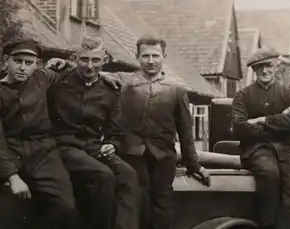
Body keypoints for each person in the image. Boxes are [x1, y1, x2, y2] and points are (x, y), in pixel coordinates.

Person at [49, 35, 211, 229]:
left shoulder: (176, 89)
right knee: (134, 202)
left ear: (164, 57)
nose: (151, 61)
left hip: (163, 158)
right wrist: (64, 64)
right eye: (145, 56)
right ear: (137, 57)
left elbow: (185, 131)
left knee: (163, 207)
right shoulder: (123, 80)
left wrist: (194, 165)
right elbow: (91, 71)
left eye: (155, 56)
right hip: (132, 154)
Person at [46, 36, 140, 229]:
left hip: (94, 147)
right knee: (103, 176)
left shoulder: (110, 90)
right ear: (75, 58)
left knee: (128, 175)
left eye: (95, 60)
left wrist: (111, 145)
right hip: (65, 146)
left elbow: (114, 130)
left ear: (104, 60)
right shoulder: (58, 82)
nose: (90, 66)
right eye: (84, 59)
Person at [0, 38, 79, 229]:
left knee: (66, 208)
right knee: (9, 213)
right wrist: (12, 176)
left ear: (37, 64)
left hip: (44, 152)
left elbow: (76, 71)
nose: (23, 68)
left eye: (29, 63)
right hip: (11, 153)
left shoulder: (42, 77)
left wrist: (66, 62)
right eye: (17, 61)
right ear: (5, 61)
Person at [231, 47, 290, 229]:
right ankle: (267, 225)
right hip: (257, 148)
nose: (265, 70)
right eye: (259, 67)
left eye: (268, 65)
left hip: (287, 148)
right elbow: (239, 127)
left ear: (275, 66)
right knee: (269, 175)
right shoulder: (243, 96)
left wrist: (261, 120)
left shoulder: (288, 92)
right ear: (254, 70)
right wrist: (279, 126)